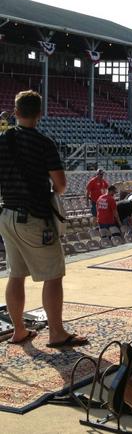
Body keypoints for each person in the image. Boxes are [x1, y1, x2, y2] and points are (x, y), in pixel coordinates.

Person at [0, 90, 87, 347]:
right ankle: (57, 333)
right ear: (39, 113)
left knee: (16, 274)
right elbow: (60, 185)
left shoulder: (2, 141)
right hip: (34, 217)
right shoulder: (44, 143)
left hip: (7, 215)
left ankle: (19, 331)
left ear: (15, 112)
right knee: (53, 274)